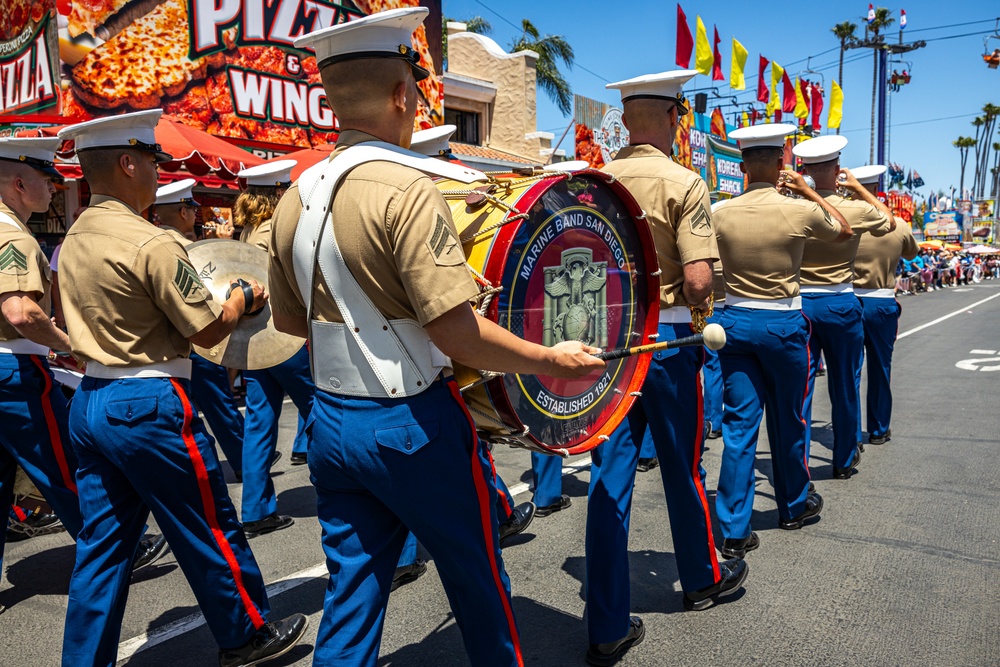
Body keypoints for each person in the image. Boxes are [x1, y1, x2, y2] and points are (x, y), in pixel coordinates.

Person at [270, 9, 605, 665]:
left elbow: (287, 324)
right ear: (403, 93)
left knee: (353, 596)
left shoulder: (295, 194)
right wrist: (547, 354)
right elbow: (456, 332)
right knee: (477, 578)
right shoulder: (408, 188)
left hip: (332, 423)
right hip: (412, 423)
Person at [57, 110, 306, 667]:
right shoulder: (152, 242)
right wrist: (241, 301)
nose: (155, 172)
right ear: (127, 163)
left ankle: (83, 659)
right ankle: (247, 634)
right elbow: (207, 328)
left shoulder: (71, 239)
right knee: (208, 525)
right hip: (148, 402)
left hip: (91, 399)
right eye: (151, 161)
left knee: (100, 548)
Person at [584, 69, 746, 667]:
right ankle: (701, 578)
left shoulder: (594, 180)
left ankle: (604, 623)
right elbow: (700, 277)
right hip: (672, 343)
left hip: (608, 349)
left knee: (609, 480)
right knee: (682, 468)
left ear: (625, 120)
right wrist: (698, 299)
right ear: (677, 119)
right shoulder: (685, 181)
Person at [0, 137, 168, 593]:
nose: (55, 187)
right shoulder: (11, 232)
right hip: (13, 371)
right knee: (62, 467)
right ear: (18, 182)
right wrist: (65, 344)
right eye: (47, 178)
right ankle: (119, 549)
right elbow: (20, 312)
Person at [713, 124, 851, 563]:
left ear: (741, 166)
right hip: (782, 325)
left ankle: (734, 529)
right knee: (790, 420)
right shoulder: (798, 210)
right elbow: (843, 230)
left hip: (733, 323)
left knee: (738, 429)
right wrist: (809, 192)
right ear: (781, 165)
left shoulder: (721, 212)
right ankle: (792, 506)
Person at [410, 124, 552, 526]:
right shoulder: (443, 202)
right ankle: (498, 515)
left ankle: (494, 513)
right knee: (464, 439)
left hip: (391, 354)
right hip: (452, 344)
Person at [793, 135, 894, 480]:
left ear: (804, 168)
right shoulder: (853, 208)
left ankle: (797, 464)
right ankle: (844, 458)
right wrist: (858, 188)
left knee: (801, 389)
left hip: (800, 302)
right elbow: (888, 221)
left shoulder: (794, 205)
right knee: (845, 384)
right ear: (837, 169)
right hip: (839, 301)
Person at [233, 161, 311, 536]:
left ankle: (255, 509)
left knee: (259, 423)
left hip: (255, 342)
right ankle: (344, 493)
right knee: (325, 410)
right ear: (279, 194)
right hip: (285, 337)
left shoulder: (245, 233)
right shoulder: (279, 228)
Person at [154, 179, 248, 476]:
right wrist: (225, 244)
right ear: (184, 212)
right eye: (192, 210)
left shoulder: (154, 242)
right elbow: (226, 285)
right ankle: (248, 465)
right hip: (199, 341)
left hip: (167, 345)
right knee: (221, 408)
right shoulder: (188, 249)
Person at [850, 165, 919, 448]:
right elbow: (912, 252)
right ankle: (878, 428)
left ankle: (850, 435)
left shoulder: (843, 221)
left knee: (849, 372)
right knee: (880, 368)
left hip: (848, 300)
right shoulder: (898, 225)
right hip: (881, 302)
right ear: (877, 189)